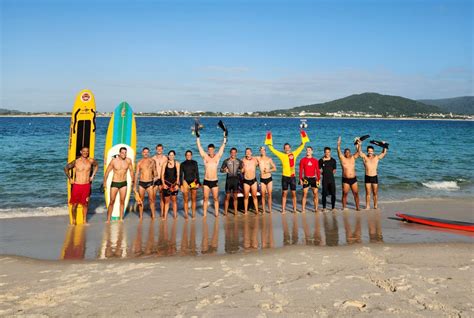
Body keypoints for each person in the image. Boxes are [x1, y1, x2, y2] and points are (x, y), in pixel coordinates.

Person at [267, 133, 307, 213]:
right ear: (284, 149)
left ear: (290, 148)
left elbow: (301, 147)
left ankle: (295, 209)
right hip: (285, 177)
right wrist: (269, 140)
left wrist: (303, 137)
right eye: (286, 148)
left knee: (293, 194)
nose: (287, 149)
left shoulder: (294, 154)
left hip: (292, 177)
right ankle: (283, 210)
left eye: (288, 147)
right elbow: (273, 150)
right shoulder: (282, 155)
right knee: (284, 193)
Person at [64, 147, 98, 225]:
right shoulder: (76, 162)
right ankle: (73, 221)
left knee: (85, 204)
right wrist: (70, 178)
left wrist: (92, 176)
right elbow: (66, 168)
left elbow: (96, 166)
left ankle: (84, 221)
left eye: (87, 151)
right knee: (74, 204)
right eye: (84, 151)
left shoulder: (91, 161)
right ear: (81, 152)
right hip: (77, 185)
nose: (85, 153)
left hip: (86, 185)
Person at [196, 130, 227, 217]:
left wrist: (224, 137)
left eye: (212, 150)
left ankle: (216, 214)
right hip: (206, 181)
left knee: (215, 198)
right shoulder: (205, 157)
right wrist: (198, 137)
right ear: (208, 150)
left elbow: (222, 148)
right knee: (205, 198)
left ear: (214, 150)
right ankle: (205, 214)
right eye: (209, 150)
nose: (210, 151)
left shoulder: (217, 157)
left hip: (214, 181)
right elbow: (199, 147)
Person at [103, 147, 134, 222]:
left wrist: (133, 181)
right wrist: (104, 182)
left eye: (125, 152)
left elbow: (131, 171)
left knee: (122, 201)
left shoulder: (128, 160)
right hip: (115, 183)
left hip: (124, 183)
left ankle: (121, 218)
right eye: (122, 152)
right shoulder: (114, 161)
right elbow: (107, 172)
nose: (124, 154)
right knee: (111, 201)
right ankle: (108, 219)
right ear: (119, 153)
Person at [357, 140, 388, 209]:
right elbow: (359, 152)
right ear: (367, 151)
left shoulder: (376, 157)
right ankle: (367, 206)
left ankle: (375, 206)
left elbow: (384, 153)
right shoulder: (365, 157)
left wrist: (384, 145)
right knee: (368, 193)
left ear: (373, 151)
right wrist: (359, 144)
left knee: (375, 193)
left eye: (371, 151)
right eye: (368, 150)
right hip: (367, 176)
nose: (370, 152)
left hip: (374, 177)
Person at [337, 137, 360, 211]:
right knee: (345, 194)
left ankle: (357, 207)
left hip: (353, 179)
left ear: (350, 153)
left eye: (348, 152)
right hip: (345, 179)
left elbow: (358, 152)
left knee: (356, 194)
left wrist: (359, 144)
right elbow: (338, 151)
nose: (347, 153)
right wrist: (338, 144)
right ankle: (344, 207)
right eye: (346, 152)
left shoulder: (353, 157)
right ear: (344, 153)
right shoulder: (342, 158)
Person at [134, 147, 158, 220]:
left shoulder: (152, 161)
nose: (146, 153)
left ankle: (153, 215)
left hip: (150, 183)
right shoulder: (139, 162)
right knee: (141, 200)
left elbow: (155, 172)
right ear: (142, 153)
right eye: (144, 152)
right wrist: (134, 186)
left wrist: (155, 177)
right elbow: (137, 174)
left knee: (152, 200)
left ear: (149, 153)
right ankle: (141, 216)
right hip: (141, 183)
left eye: (147, 152)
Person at [220, 147, 242, 215]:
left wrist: (242, 170)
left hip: (236, 181)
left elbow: (242, 169)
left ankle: (235, 212)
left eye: (234, 152)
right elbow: (220, 170)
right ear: (230, 153)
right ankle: (225, 212)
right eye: (232, 152)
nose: (233, 154)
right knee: (227, 197)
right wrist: (224, 170)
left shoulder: (239, 161)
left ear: (236, 153)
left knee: (235, 197)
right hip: (229, 181)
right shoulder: (226, 161)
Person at [299, 146, 321, 213]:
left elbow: (317, 170)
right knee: (304, 194)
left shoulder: (315, 160)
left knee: (315, 193)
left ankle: (316, 209)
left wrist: (319, 179)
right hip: (306, 178)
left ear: (312, 151)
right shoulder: (302, 160)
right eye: (307, 150)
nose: (308, 151)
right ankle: (303, 209)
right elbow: (300, 170)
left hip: (314, 178)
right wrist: (300, 179)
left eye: (309, 150)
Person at [180, 150, 200, 219]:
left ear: (191, 155)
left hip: (193, 182)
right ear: (185, 156)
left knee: (193, 199)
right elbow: (180, 175)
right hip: (186, 182)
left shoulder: (195, 163)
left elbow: (197, 173)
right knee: (186, 199)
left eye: (189, 155)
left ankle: (193, 214)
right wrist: (181, 185)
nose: (188, 156)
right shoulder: (182, 164)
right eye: (187, 155)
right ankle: (186, 214)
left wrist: (198, 183)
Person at [161, 150, 180, 220]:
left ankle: (175, 216)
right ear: (168, 156)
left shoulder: (177, 163)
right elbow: (162, 175)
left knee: (174, 201)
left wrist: (177, 184)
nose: (171, 156)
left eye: (172, 155)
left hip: (174, 184)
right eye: (170, 155)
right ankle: (165, 216)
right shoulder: (165, 164)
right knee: (167, 201)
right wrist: (163, 184)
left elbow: (178, 175)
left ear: (174, 156)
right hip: (166, 184)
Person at [258, 146, 276, 213]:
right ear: (260, 151)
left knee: (269, 194)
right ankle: (264, 210)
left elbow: (275, 168)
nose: (262, 151)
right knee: (262, 195)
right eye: (261, 150)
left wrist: (268, 170)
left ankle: (270, 209)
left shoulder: (269, 159)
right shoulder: (258, 159)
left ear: (265, 151)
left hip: (269, 178)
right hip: (262, 179)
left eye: (263, 150)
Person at [241, 148, 259, 215]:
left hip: (253, 180)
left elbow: (260, 164)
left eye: (249, 152)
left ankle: (257, 211)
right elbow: (241, 170)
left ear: (251, 153)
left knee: (254, 196)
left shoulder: (254, 159)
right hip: (246, 180)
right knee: (246, 196)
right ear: (245, 153)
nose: (248, 153)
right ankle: (245, 211)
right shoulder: (243, 160)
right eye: (246, 152)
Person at [319, 147, 337, 211]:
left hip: (331, 179)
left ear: (330, 152)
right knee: (324, 194)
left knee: (333, 194)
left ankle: (333, 208)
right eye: (326, 152)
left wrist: (330, 173)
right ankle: (324, 208)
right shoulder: (321, 160)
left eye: (328, 152)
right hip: (324, 180)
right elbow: (319, 169)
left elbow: (334, 170)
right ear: (324, 152)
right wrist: (322, 172)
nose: (327, 153)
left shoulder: (333, 160)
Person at [152, 144, 168, 217]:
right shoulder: (153, 158)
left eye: (160, 149)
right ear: (156, 149)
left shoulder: (166, 158)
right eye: (158, 149)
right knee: (153, 198)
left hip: (162, 180)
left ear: (162, 149)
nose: (159, 150)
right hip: (155, 179)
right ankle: (153, 213)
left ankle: (162, 213)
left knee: (162, 197)